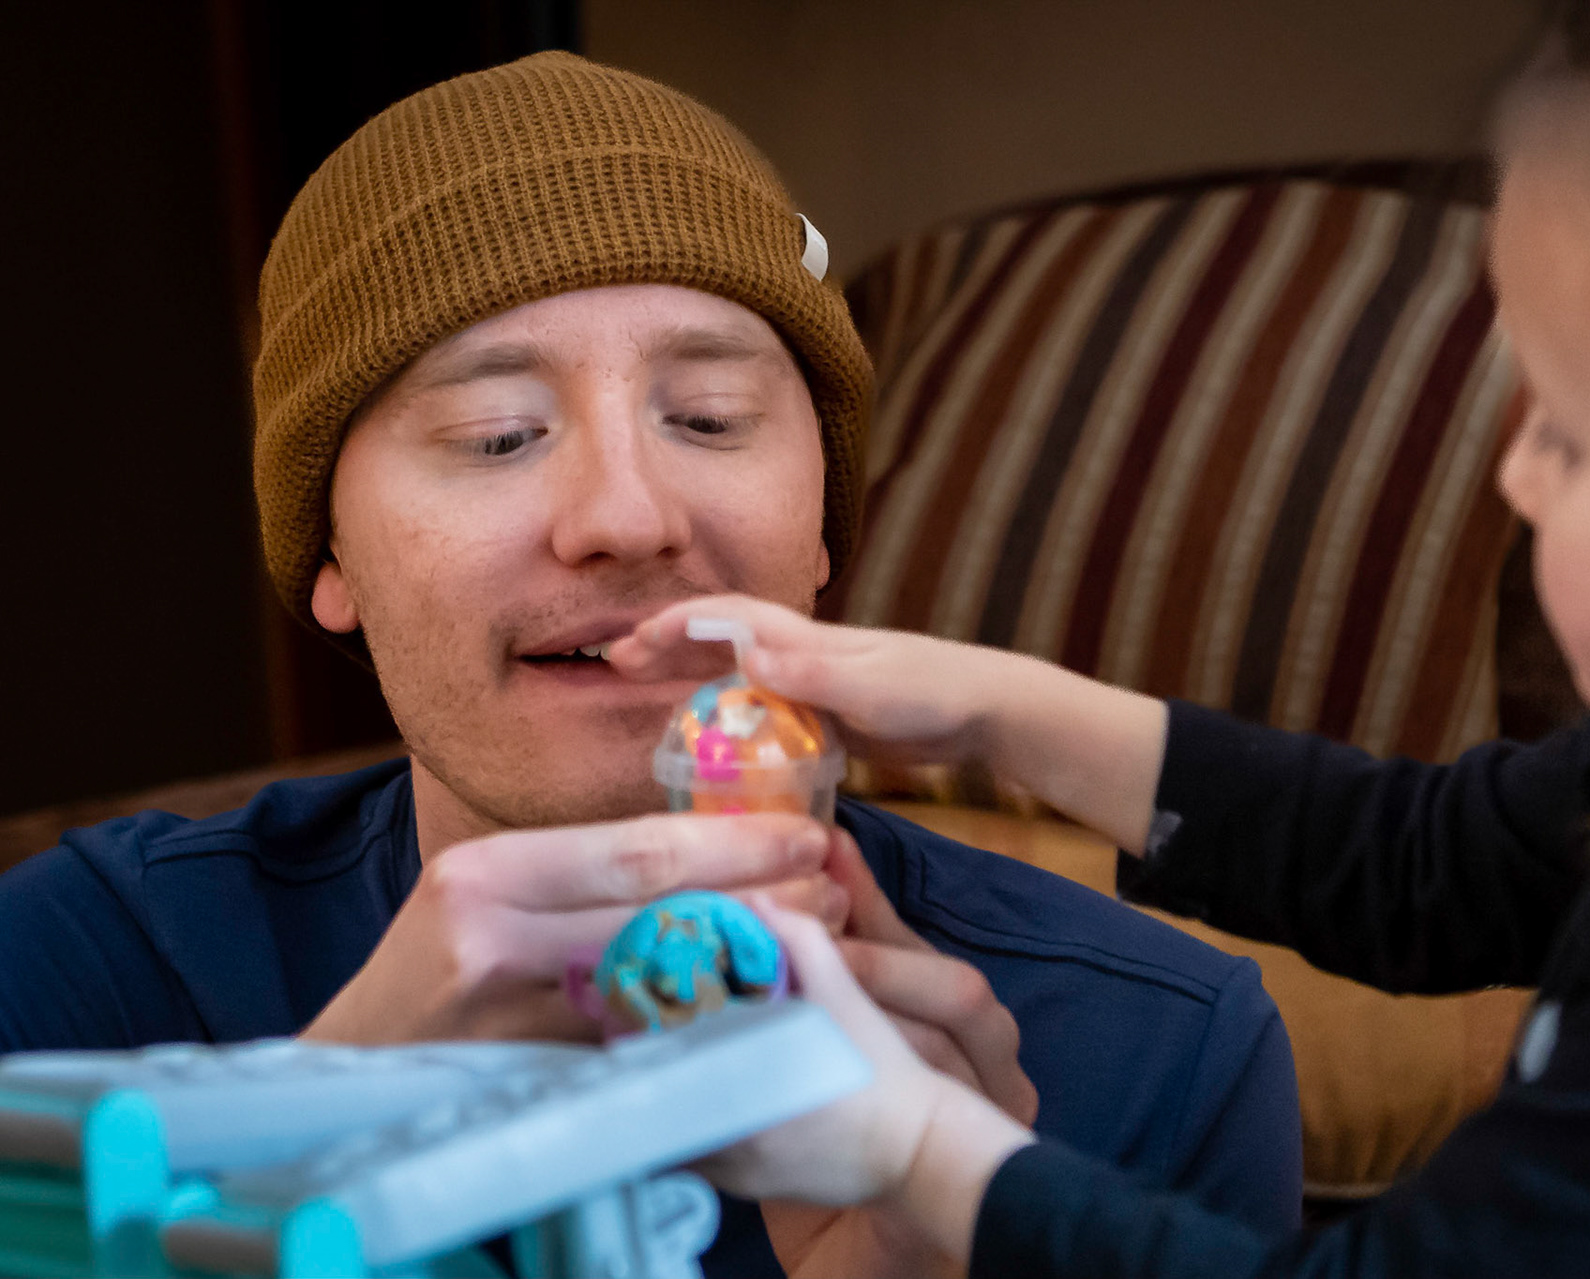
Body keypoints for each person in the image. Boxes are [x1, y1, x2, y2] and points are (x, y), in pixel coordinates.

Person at [632, 1, 1590, 1274]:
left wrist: (920, 1149)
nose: (1515, 477)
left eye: (1569, 435)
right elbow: (1418, 863)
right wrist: (993, 710)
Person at [0, 52, 1302, 1277]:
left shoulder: (1158, 1058)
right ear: (329, 553)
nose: (628, 516)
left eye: (710, 419)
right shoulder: (88, 976)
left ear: (822, 530)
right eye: (497, 433)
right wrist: (309, 1150)